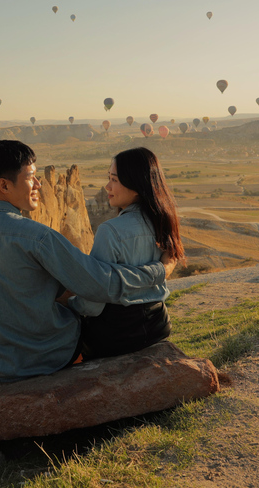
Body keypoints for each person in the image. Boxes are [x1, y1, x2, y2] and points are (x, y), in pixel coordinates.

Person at [0, 140, 176, 383]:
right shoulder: (37, 237)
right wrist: (160, 270)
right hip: (47, 356)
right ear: (3, 185)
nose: (39, 184)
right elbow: (102, 285)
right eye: (31, 177)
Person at [68, 147, 184, 360]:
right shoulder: (163, 221)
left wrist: (68, 305)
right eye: (108, 178)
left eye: (114, 180)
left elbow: (95, 298)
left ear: (137, 185)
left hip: (116, 334)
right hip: (157, 324)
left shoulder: (110, 230)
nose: (107, 187)